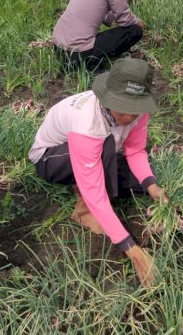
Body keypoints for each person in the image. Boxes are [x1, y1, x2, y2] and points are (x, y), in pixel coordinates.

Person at [28, 58, 167, 287]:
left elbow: (135, 150)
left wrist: (152, 186)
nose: (129, 118)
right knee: (105, 150)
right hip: (51, 159)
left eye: (134, 109)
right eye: (122, 108)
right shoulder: (88, 122)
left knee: (138, 184)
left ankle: (99, 176)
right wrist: (132, 251)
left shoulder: (139, 112)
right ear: (107, 97)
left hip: (98, 149)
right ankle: (84, 211)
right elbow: (95, 193)